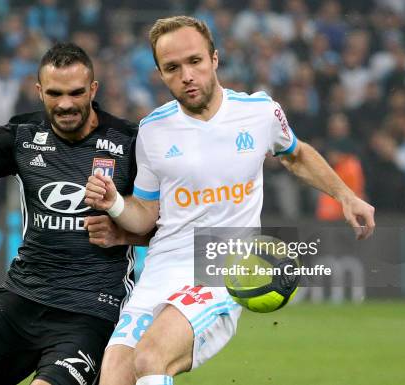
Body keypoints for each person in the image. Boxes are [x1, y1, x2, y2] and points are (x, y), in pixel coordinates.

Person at [84, 16, 375, 385]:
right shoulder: (152, 131)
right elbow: (146, 215)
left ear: (214, 59)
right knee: (114, 377)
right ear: (160, 74)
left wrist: (346, 196)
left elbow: (296, 154)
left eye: (195, 61)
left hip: (221, 262)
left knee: (151, 357)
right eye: (172, 68)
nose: (186, 75)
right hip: (160, 268)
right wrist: (114, 203)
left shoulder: (258, 113)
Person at [0, 42, 146, 385]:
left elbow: (163, 220)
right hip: (22, 295)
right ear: (39, 91)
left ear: (93, 89)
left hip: (91, 308)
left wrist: (124, 233)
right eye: (55, 93)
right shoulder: (20, 135)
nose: (65, 104)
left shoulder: (130, 142)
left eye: (76, 92)